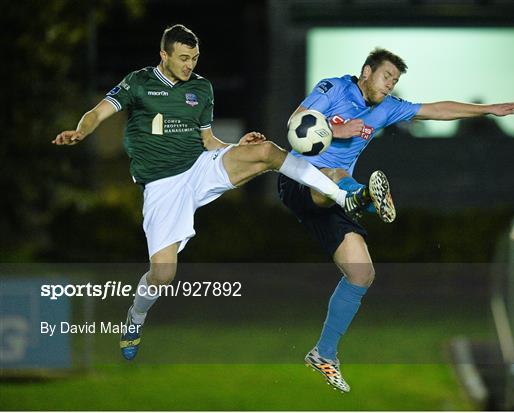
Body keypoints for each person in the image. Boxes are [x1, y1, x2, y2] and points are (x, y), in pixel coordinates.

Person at [52, 24, 370, 361]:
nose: (190, 65)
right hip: (163, 186)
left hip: (200, 167)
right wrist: (80, 131)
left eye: (195, 58)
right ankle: (136, 316)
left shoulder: (201, 88)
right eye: (184, 58)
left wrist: (235, 147)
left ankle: (341, 196)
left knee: (265, 152)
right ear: (164, 55)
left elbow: (208, 141)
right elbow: (97, 112)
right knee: (163, 275)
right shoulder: (138, 82)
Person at [278, 48, 514, 392]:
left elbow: (436, 110)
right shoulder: (333, 88)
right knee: (333, 174)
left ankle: (323, 353)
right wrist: (338, 132)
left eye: (395, 81)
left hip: (336, 197)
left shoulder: (387, 108)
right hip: (300, 179)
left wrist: (485, 110)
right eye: (386, 77)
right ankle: (364, 198)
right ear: (366, 71)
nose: (390, 84)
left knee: (362, 273)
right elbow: (295, 123)